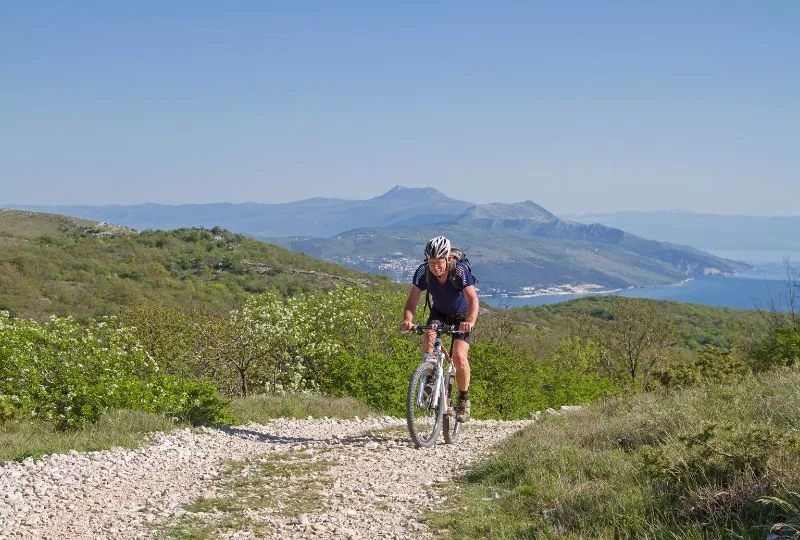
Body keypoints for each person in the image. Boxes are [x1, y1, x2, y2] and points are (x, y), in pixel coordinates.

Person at [400, 235, 479, 422]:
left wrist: (470, 321)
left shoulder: (459, 271)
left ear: (448, 259)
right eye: (431, 262)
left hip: (461, 317)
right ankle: (429, 377)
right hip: (439, 313)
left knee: (459, 356)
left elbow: (473, 299)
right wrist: (407, 320)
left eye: (439, 262)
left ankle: (463, 399)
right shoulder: (423, 272)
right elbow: (412, 300)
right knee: (429, 332)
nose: (435, 267)